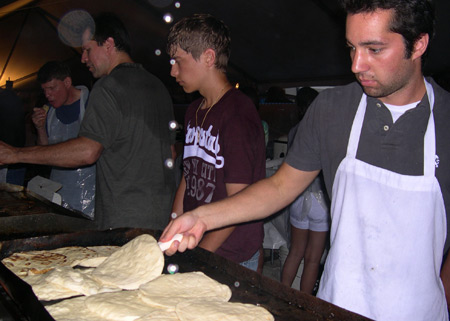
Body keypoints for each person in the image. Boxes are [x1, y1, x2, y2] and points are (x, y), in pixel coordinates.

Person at [160, 1, 450, 320]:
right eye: (352, 48)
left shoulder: (446, 121)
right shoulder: (331, 110)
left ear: (418, 44)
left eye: (374, 49)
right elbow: (280, 186)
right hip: (336, 306)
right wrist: (202, 217)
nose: (356, 65)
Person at [0, 13, 176, 231]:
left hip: (122, 221)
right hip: (161, 218)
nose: (83, 58)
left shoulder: (108, 86)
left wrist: (16, 154)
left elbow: (87, 152)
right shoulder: (158, 87)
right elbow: (171, 153)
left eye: (87, 49)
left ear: (109, 44)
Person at [167, 14, 266, 271]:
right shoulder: (193, 111)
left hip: (230, 255)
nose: (172, 71)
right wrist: (174, 227)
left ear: (208, 58)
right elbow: (188, 178)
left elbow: (240, 200)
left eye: (178, 61)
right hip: (195, 245)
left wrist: (199, 255)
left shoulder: (237, 113)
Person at [280, 87, 330, 294]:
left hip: (299, 197)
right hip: (320, 201)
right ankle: (304, 307)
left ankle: (281, 296)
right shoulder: (327, 130)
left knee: (295, 252)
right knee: (312, 259)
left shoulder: (295, 130)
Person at [31, 61, 95, 217]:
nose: (48, 95)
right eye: (44, 90)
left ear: (67, 82)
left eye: (52, 88)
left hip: (92, 194)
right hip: (58, 193)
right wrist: (40, 128)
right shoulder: (49, 114)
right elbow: (44, 152)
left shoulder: (91, 104)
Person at [0, 86, 25, 185]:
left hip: (10, 167)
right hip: (11, 163)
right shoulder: (9, 98)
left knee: (9, 199)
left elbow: (10, 136)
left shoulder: (7, 99)